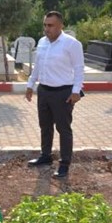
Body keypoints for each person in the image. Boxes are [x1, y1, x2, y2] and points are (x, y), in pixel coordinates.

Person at [25, 11, 85, 179]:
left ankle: (64, 164)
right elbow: (37, 66)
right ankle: (45, 156)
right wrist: (30, 85)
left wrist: (75, 91)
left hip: (62, 93)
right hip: (44, 91)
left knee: (63, 129)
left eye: (50, 25)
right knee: (45, 126)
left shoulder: (71, 44)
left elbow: (79, 69)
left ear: (61, 26)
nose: (46, 29)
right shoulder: (42, 42)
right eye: (45, 25)